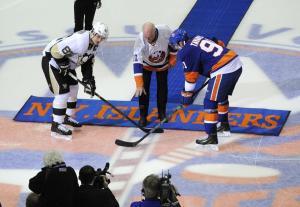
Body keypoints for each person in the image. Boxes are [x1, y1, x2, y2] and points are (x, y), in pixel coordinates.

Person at [169, 29, 242, 148]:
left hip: (224, 69)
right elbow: (219, 43)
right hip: (234, 62)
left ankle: (211, 137)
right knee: (221, 96)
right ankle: (223, 125)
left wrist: (186, 97)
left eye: (175, 44)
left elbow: (191, 77)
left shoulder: (185, 52)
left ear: (180, 42)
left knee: (209, 101)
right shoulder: (196, 37)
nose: (175, 47)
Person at [42, 22, 109, 139]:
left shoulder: (93, 44)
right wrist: (62, 64)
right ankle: (56, 126)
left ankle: (67, 117)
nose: (99, 40)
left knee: (74, 87)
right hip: (52, 60)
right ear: (93, 32)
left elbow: (87, 62)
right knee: (63, 93)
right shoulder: (80, 41)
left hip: (66, 63)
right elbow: (54, 51)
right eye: (98, 36)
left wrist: (88, 79)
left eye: (102, 38)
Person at [133, 22, 177, 127]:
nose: (148, 40)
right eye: (146, 37)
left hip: (162, 64)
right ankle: (143, 116)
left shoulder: (165, 30)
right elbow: (136, 60)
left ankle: (161, 113)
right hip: (146, 64)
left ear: (154, 31)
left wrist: (173, 57)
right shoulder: (140, 39)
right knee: (143, 90)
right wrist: (139, 83)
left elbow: (173, 44)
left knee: (162, 88)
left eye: (150, 37)